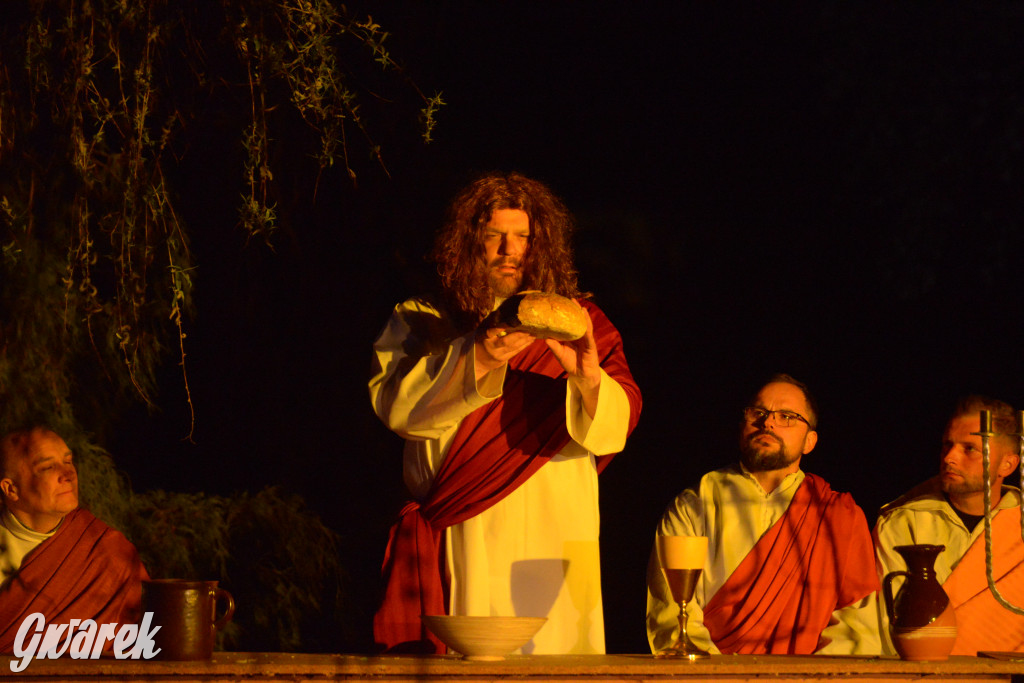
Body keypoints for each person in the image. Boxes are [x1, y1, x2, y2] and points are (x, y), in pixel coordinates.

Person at [369, 172, 642, 654]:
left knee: (558, 656)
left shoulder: (582, 323)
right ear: (467, 241)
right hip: (466, 526)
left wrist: (587, 378)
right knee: (475, 658)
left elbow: (616, 428)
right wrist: (478, 356)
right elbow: (397, 409)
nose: (509, 250)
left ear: (543, 245)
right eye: (494, 235)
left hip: (559, 529)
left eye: (523, 237)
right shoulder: (425, 317)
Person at [646, 375, 880, 655]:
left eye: (787, 417)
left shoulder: (837, 515)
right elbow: (672, 612)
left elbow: (855, 625)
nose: (768, 423)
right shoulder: (696, 503)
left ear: (809, 441)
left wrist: (812, 674)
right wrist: (716, 673)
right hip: (714, 672)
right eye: (758, 413)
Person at [874, 395, 1024, 655]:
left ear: (1007, 464)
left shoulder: (1018, 524)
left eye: (970, 449)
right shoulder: (904, 522)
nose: (949, 458)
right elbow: (875, 623)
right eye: (947, 445)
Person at [0, 426, 149, 653]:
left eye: (68, 461)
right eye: (48, 467)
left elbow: (147, 635)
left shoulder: (106, 551)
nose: (68, 474)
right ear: (11, 489)